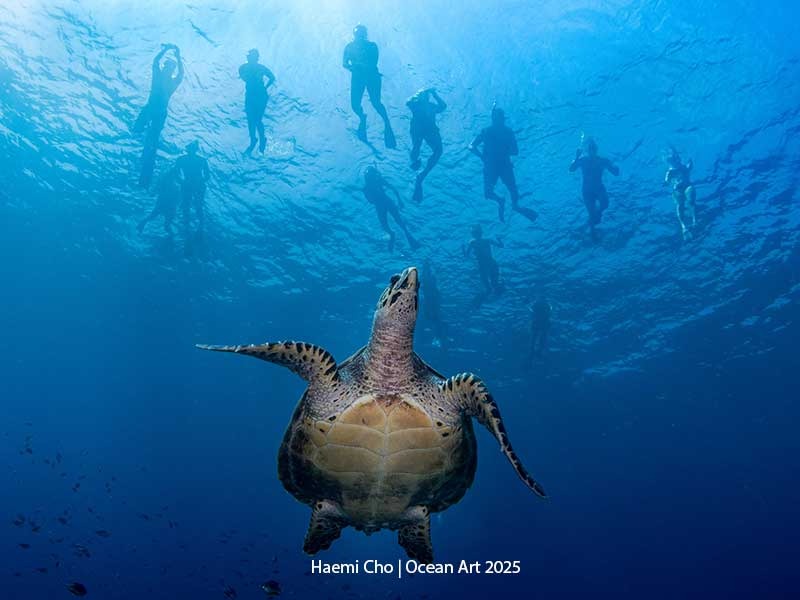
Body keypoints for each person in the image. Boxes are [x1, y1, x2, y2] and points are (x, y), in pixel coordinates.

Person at [469, 106, 538, 223]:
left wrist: (484, 156)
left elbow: (471, 146)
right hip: (498, 165)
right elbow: (471, 146)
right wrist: (484, 156)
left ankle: (512, 205)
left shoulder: (497, 131)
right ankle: (505, 202)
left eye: (500, 118)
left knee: (507, 190)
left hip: (496, 165)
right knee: (497, 192)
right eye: (499, 118)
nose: (500, 120)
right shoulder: (493, 131)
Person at [134, 44, 184, 187]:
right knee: (139, 131)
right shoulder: (159, 76)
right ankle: (144, 157)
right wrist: (167, 51)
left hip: (158, 112)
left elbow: (180, 74)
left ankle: (146, 174)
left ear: (170, 69)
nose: (167, 68)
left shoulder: (169, 81)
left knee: (152, 140)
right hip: (151, 109)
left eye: (169, 67)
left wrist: (176, 55)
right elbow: (156, 62)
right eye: (167, 66)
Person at [343, 24, 395, 148]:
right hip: (358, 77)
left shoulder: (372, 45)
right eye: (358, 33)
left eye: (362, 33)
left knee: (376, 102)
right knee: (355, 105)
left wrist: (357, 65)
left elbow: (374, 61)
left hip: (372, 76)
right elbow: (344, 63)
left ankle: (387, 123)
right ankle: (362, 117)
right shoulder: (349, 47)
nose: (360, 35)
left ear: (365, 34)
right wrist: (352, 67)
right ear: (355, 34)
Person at [569, 137, 619, 241]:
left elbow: (615, 173)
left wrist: (614, 167)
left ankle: (598, 214)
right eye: (590, 149)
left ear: (596, 149)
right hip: (587, 191)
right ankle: (593, 233)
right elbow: (571, 169)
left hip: (598, 188)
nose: (592, 151)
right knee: (591, 213)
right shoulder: (583, 160)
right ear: (588, 150)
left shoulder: (602, 160)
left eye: (593, 148)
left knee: (605, 204)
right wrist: (577, 157)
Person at [362, 166, 419, 252]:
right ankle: (394, 234)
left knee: (396, 221)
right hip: (383, 204)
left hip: (384, 204)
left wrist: (399, 200)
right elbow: (392, 189)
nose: (372, 177)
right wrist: (399, 200)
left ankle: (402, 234)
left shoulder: (376, 182)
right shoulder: (369, 186)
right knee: (387, 224)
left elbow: (392, 189)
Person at [407, 88, 446, 202]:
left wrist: (434, 93)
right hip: (418, 128)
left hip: (430, 129)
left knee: (438, 151)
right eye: (424, 95)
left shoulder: (432, 106)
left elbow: (443, 106)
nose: (426, 96)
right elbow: (408, 102)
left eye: (427, 95)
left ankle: (422, 174)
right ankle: (414, 162)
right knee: (416, 146)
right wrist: (419, 94)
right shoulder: (415, 104)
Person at [238, 49, 276, 155]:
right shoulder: (244, 67)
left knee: (256, 119)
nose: (249, 57)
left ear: (255, 57)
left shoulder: (256, 67)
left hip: (260, 95)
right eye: (249, 56)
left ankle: (261, 139)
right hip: (251, 95)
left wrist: (264, 87)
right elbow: (243, 76)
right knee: (251, 119)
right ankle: (254, 140)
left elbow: (272, 77)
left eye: (251, 56)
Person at [176, 141, 210, 230]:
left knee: (196, 205)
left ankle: (198, 224)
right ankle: (189, 223)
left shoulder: (182, 159)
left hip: (194, 185)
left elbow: (207, 176)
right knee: (188, 205)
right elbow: (176, 173)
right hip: (191, 185)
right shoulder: (201, 160)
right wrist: (182, 182)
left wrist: (182, 182)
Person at [137, 166, 181, 234]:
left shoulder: (168, 181)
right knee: (164, 218)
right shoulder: (170, 182)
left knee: (155, 215)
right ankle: (169, 232)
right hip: (166, 202)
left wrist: (153, 193)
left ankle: (142, 224)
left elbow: (157, 189)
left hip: (165, 202)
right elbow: (158, 189)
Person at [664, 149, 697, 240]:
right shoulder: (670, 172)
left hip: (687, 186)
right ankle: (684, 226)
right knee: (680, 205)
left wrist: (690, 162)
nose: (674, 163)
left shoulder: (683, 167)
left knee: (691, 200)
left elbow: (689, 167)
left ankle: (694, 220)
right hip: (678, 190)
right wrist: (666, 181)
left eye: (674, 160)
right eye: (672, 161)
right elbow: (667, 180)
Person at [463, 224, 503, 296]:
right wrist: (499, 239)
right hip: (488, 263)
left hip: (486, 264)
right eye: (474, 233)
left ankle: (494, 292)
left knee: (490, 284)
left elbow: (466, 255)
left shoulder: (474, 242)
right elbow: (501, 246)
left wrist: (463, 249)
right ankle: (494, 292)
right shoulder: (477, 242)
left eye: (476, 232)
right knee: (490, 284)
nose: (476, 234)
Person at [421, 259, 445, 345]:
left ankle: (438, 337)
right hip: (431, 300)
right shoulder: (428, 277)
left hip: (432, 300)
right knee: (433, 318)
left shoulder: (429, 277)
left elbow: (436, 289)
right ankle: (438, 337)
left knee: (434, 318)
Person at [529, 296, 552, 362]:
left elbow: (531, 310)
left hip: (537, 323)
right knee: (543, 337)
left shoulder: (536, 304)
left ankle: (533, 351)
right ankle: (539, 352)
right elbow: (550, 312)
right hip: (544, 323)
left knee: (534, 337)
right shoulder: (547, 304)